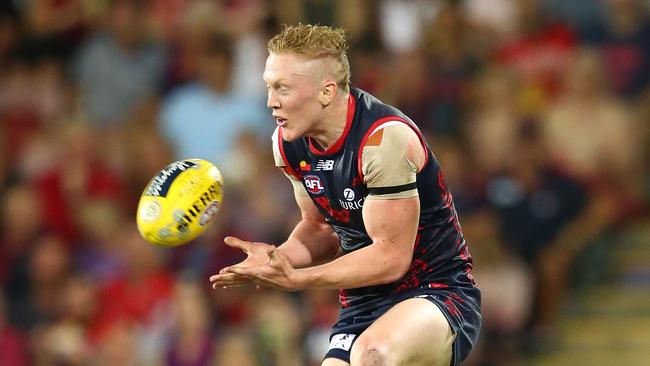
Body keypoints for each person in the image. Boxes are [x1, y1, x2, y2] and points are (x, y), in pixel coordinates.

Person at [209, 24, 481, 366]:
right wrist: (278, 260)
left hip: (434, 292)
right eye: (268, 87)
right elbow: (320, 228)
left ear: (326, 92)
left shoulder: (383, 141)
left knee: (374, 355)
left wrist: (300, 280)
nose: (270, 101)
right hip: (364, 303)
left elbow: (391, 258)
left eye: (282, 88)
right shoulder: (287, 144)